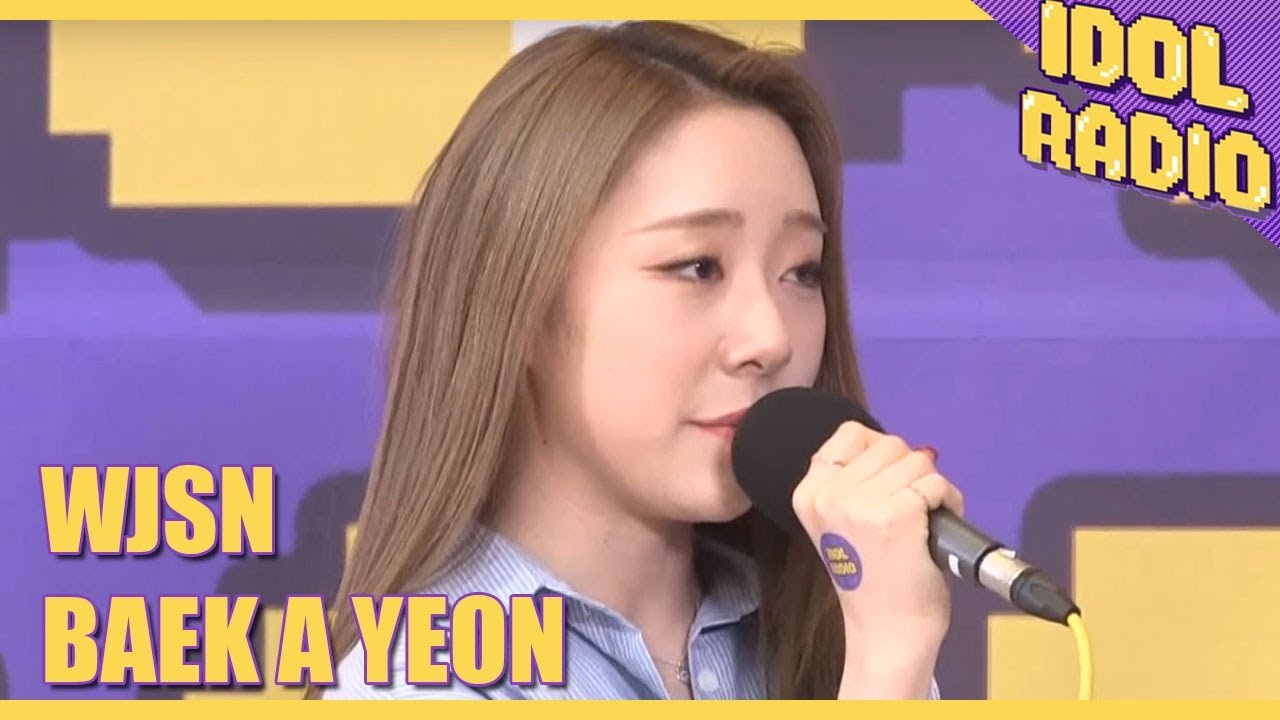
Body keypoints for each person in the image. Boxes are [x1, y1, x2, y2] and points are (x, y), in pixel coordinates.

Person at [316, 20, 964, 701]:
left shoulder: (827, 635)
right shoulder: (424, 682)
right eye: (698, 266)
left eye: (801, 272)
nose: (771, 337)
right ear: (520, 303)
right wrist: (886, 667)